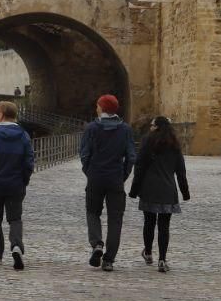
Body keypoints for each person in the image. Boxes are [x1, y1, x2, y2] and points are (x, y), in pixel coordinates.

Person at [80, 94, 136, 271]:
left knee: (92, 212)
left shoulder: (91, 128)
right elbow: (131, 156)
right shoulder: (125, 130)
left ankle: (97, 243)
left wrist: (89, 172)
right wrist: (123, 175)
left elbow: (84, 154)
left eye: (98, 105)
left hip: (95, 176)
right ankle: (109, 259)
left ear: (102, 108)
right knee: (115, 218)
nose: (96, 108)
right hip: (115, 178)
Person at [0, 100, 35, 269]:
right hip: (16, 183)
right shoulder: (23, 135)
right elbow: (29, 161)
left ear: (2, 114)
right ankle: (16, 245)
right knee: (15, 217)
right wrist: (24, 179)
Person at [128, 117, 190, 273]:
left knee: (149, 222)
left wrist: (134, 190)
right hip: (168, 189)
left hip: (149, 188)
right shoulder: (174, 144)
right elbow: (181, 171)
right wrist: (185, 192)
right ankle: (162, 259)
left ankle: (148, 253)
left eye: (152, 125)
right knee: (164, 226)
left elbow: (139, 167)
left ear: (156, 127)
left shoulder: (147, 142)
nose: (150, 127)